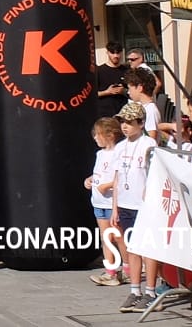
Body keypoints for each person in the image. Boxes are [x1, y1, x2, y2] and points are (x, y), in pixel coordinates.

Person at [109, 100, 157, 313]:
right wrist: (115, 207)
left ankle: (151, 291)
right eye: (122, 122)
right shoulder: (120, 147)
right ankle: (135, 290)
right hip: (125, 204)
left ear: (141, 123)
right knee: (132, 247)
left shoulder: (149, 144)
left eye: (129, 122)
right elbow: (117, 178)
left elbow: (154, 174)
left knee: (147, 247)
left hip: (143, 205)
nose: (125, 126)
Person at [86, 116, 124, 287]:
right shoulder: (100, 154)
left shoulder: (118, 152)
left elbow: (119, 176)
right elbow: (99, 173)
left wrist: (107, 186)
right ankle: (110, 271)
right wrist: (90, 180)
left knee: (118, 236)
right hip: (99, 202)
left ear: (110, 135)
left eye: (98, 134)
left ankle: (128, 268)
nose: (95, 137)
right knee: (105, 236)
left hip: (111, 202)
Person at [95, 42, 128, 117]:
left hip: (123, 113)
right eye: (112, 53)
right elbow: (92, 95)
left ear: (121, 53)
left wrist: (123, 91)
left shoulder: (127, 70)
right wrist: (107, 92)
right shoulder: (99, 71)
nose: (115, 56)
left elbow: (134, 92)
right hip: (104, 114)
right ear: (107, 52)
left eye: (118, 53)